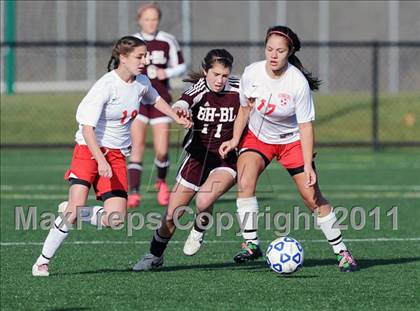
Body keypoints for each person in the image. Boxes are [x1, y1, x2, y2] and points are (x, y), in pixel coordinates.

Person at [32, 36, 191, 277]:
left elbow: (157, 99)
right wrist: (101, 159)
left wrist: (176, 117)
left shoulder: (141, 82)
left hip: (116, 155)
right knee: (74, 209)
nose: (144, 60)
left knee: (115, 219)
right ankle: (42, 261)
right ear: (123, 58)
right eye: (139, 56)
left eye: (145, 55)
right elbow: (87, 128)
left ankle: (75, 211)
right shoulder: (105, 86)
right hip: (89, 150)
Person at [219, 25, 358, 272]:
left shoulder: (297, 82)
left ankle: (342, 252)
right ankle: (251, 243)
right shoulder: (252, 73)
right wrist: (233, 139)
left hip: (292, 141)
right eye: (269, 49)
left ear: (289, 52)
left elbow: (306, 127)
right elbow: (244, 109)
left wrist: (307, 165)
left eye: (280, 51)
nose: (273, 55)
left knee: (311, 197)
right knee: (245, 180)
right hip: (258, 138)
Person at [132, 49, 240, 271]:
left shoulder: (240, 89)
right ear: (205, 71)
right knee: (172, 214)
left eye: (225, 75)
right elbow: (183, 103)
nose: (220, 80)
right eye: (216, 74)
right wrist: (180, 111)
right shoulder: (199, 89)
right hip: (197, 158)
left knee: (204, 200)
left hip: (226, 159)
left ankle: (199, 231)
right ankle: (154, 255)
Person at [129, 2, 187, 208]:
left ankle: (161, 182)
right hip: (137, 100)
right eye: (147, 19)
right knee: (137, 147)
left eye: (154, 19)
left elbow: (181, 65)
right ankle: (133, 192)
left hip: (160, 100)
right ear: (139, 21)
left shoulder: (167, 40)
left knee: (162, 150)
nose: (151, 23)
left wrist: (166, 73)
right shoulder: (133, 41)